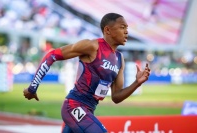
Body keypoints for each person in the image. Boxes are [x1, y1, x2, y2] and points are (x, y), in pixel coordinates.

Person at [23, 13, 151, 133]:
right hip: (73, 106)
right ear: (108, 30)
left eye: (127, 28)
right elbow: (52, 55)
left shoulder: (119, 59)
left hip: (88, 110)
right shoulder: (91, 46)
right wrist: (33, 87)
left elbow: (116, 97)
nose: (127, 31)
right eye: (122, 27)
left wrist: (137, 83)